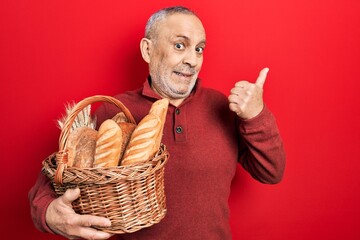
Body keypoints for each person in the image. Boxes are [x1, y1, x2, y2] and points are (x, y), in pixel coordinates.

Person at [29, 6, 286, 240]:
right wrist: (49, 214)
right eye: (179, 45)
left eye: (199, 48)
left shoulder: (222, 107)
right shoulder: (115, 112)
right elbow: (50, 182)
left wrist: (256, 114)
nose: (192, 60)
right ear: (147, 50)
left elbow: (271, 171)